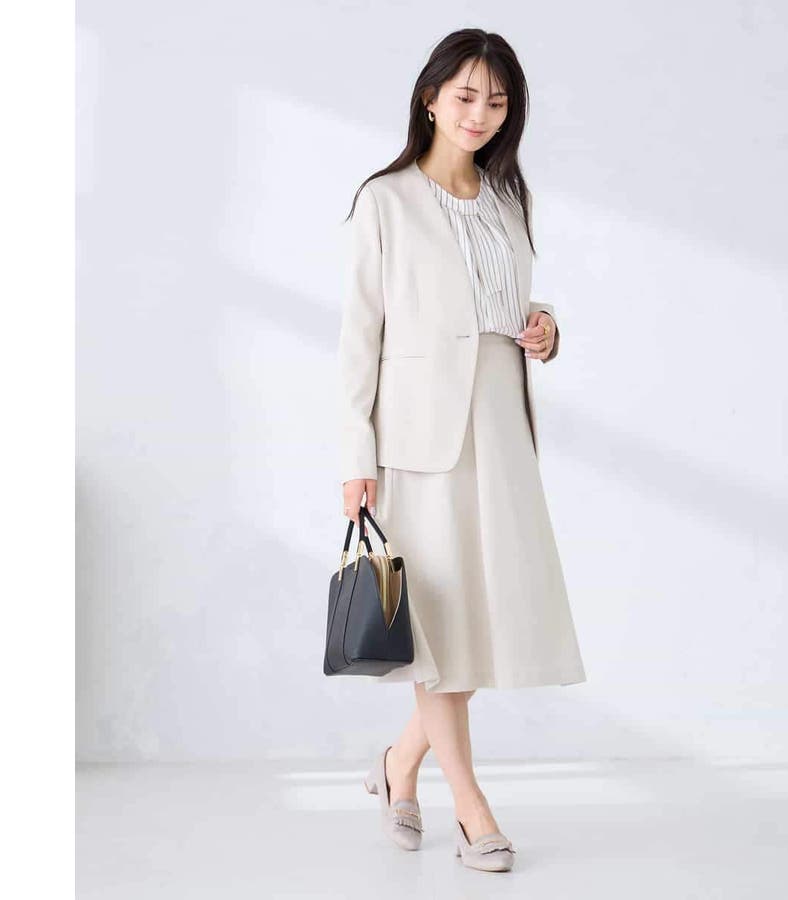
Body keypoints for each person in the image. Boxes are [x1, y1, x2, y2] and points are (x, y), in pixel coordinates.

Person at [337, 28, 587, 872]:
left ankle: (397, 764)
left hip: (499, 428)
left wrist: (544, 326)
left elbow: (504, 303)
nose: (481, 114)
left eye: (498, 101)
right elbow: (359, 337)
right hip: (416, 437)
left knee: (482, 617)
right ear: (431, 97)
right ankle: (472, 808)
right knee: (440, 625)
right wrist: (355, 454)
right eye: (467, 95)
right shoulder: (386, 200)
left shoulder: (508, 199)